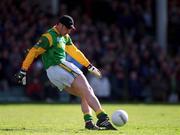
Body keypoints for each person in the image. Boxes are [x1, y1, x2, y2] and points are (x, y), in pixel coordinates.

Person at [16, 15, 116, 130]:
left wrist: (89, 65)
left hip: (53, 75)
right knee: (88, 90)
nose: (69, 31)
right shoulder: (49, 36)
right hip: (59, 66)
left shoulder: (65, 36)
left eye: (70, 28)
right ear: (60, 25)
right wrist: (23, 69)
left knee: (85, 93)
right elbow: (33, 51)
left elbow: (74, 51)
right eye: (67, 28)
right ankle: (103, 118)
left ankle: (88, 122)